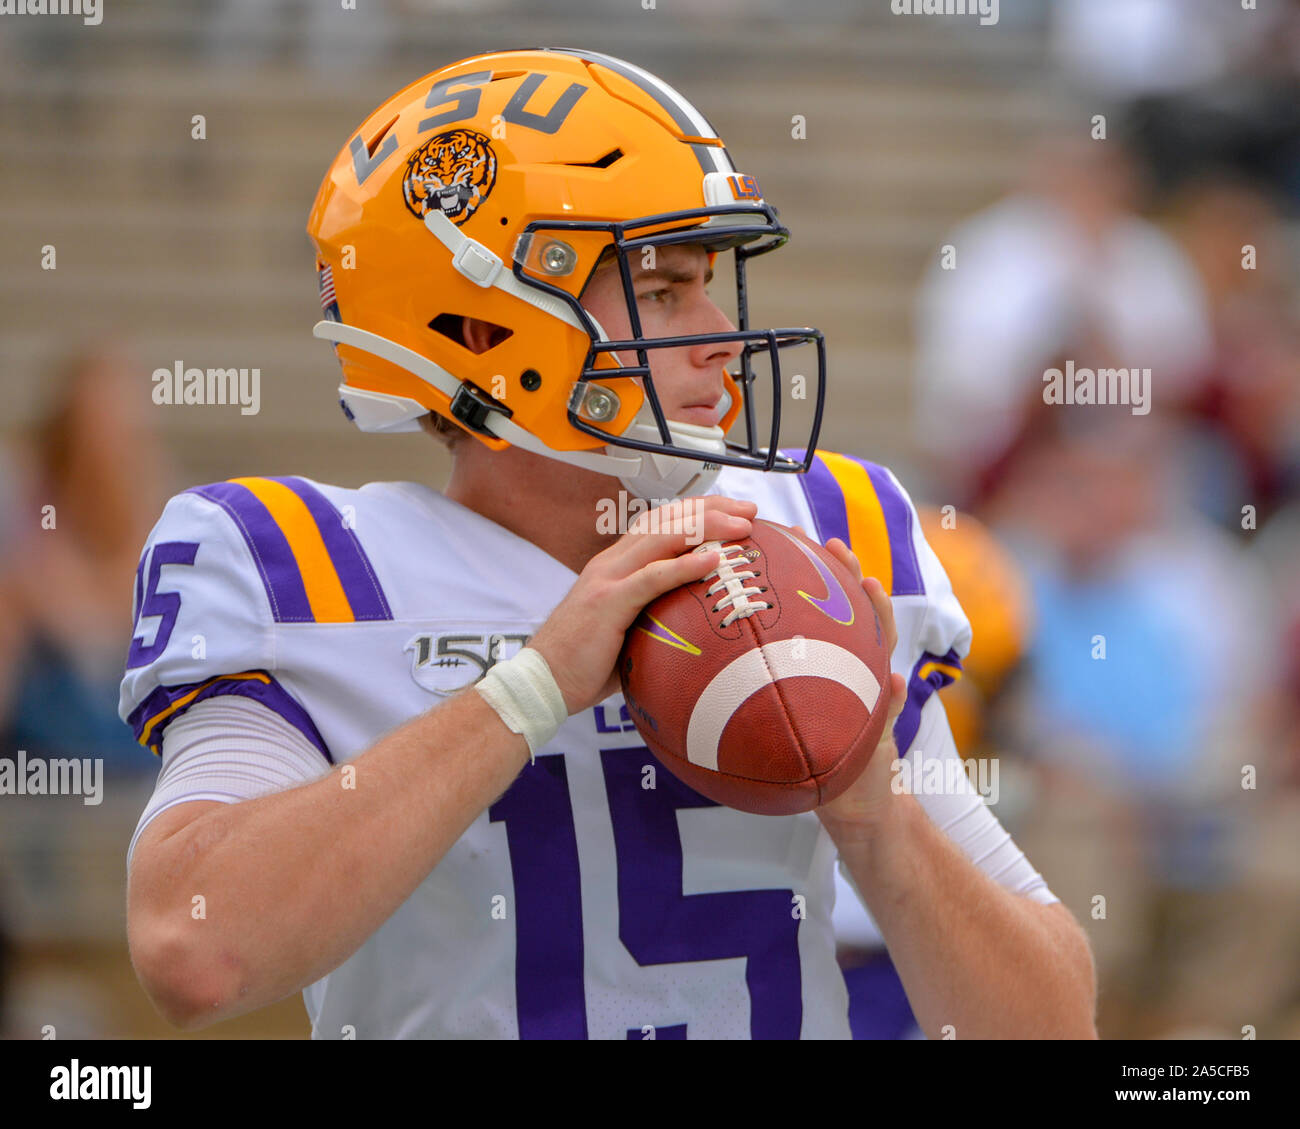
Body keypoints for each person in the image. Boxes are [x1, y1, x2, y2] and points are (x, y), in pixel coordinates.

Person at [120, 49, 1096, 1039]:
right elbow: (195, 953)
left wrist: (875, 819)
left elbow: (1051, 1028)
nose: (718, 333)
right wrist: (528, 687)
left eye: (707, 284)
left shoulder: (817, 536)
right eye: (664, 290)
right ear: (482, 324)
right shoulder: (303, 566)